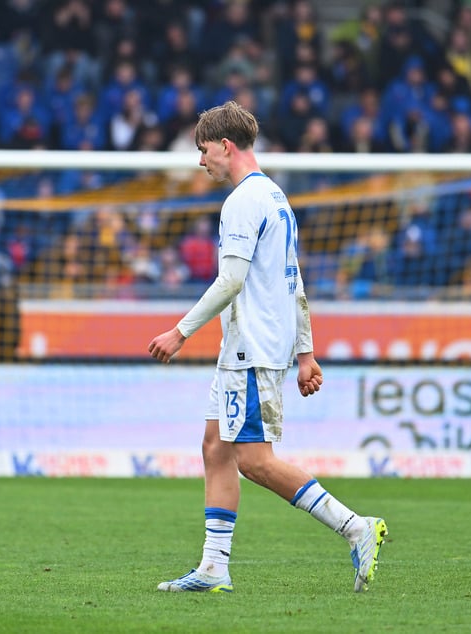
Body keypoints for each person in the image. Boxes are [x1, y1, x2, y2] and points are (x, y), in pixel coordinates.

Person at [147, 101, 387, 594]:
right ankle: (214, 568)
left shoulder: (242, 201)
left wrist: (180, 331)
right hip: (255, 345)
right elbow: (292, 281)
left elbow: (230, 280)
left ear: (225, 146)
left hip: (250, 350)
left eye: (203, 149)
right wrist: (305, 353)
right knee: (215, 447)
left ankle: (355, 526)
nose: (200, 161)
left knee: (254, 459)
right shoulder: (277, 197)